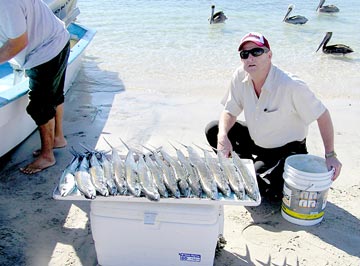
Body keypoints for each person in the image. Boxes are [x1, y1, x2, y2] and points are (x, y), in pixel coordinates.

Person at [205, 32, 342, 202]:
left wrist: (331, 155)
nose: (250, 58)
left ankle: (257, 174)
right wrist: (223, 136)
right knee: (213, 129)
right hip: (257, 141)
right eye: (245, 54)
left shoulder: (291, 85)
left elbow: (322, 115)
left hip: (286, 149)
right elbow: (230, 111)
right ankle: (245, 169)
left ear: (269, 55)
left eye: (256, 52)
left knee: (261, 191)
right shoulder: (239, 75)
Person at [0, 0, 70, 174]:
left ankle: (47, 156)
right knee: (54, 96)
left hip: (45, 51)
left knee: (39, 106)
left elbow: (17, 43)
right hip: (58, 38)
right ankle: (57, 138)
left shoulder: (7, 4)